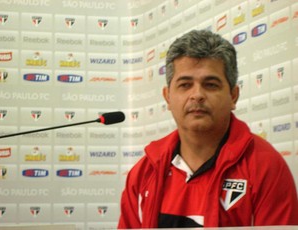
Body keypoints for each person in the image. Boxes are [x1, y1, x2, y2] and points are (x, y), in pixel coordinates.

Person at [117, 30, 298, 228]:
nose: (197, 95)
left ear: (233, 96)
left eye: (210, 85)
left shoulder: (266, 167)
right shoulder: (143, 173)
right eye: (185, 85)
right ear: (168, 97)